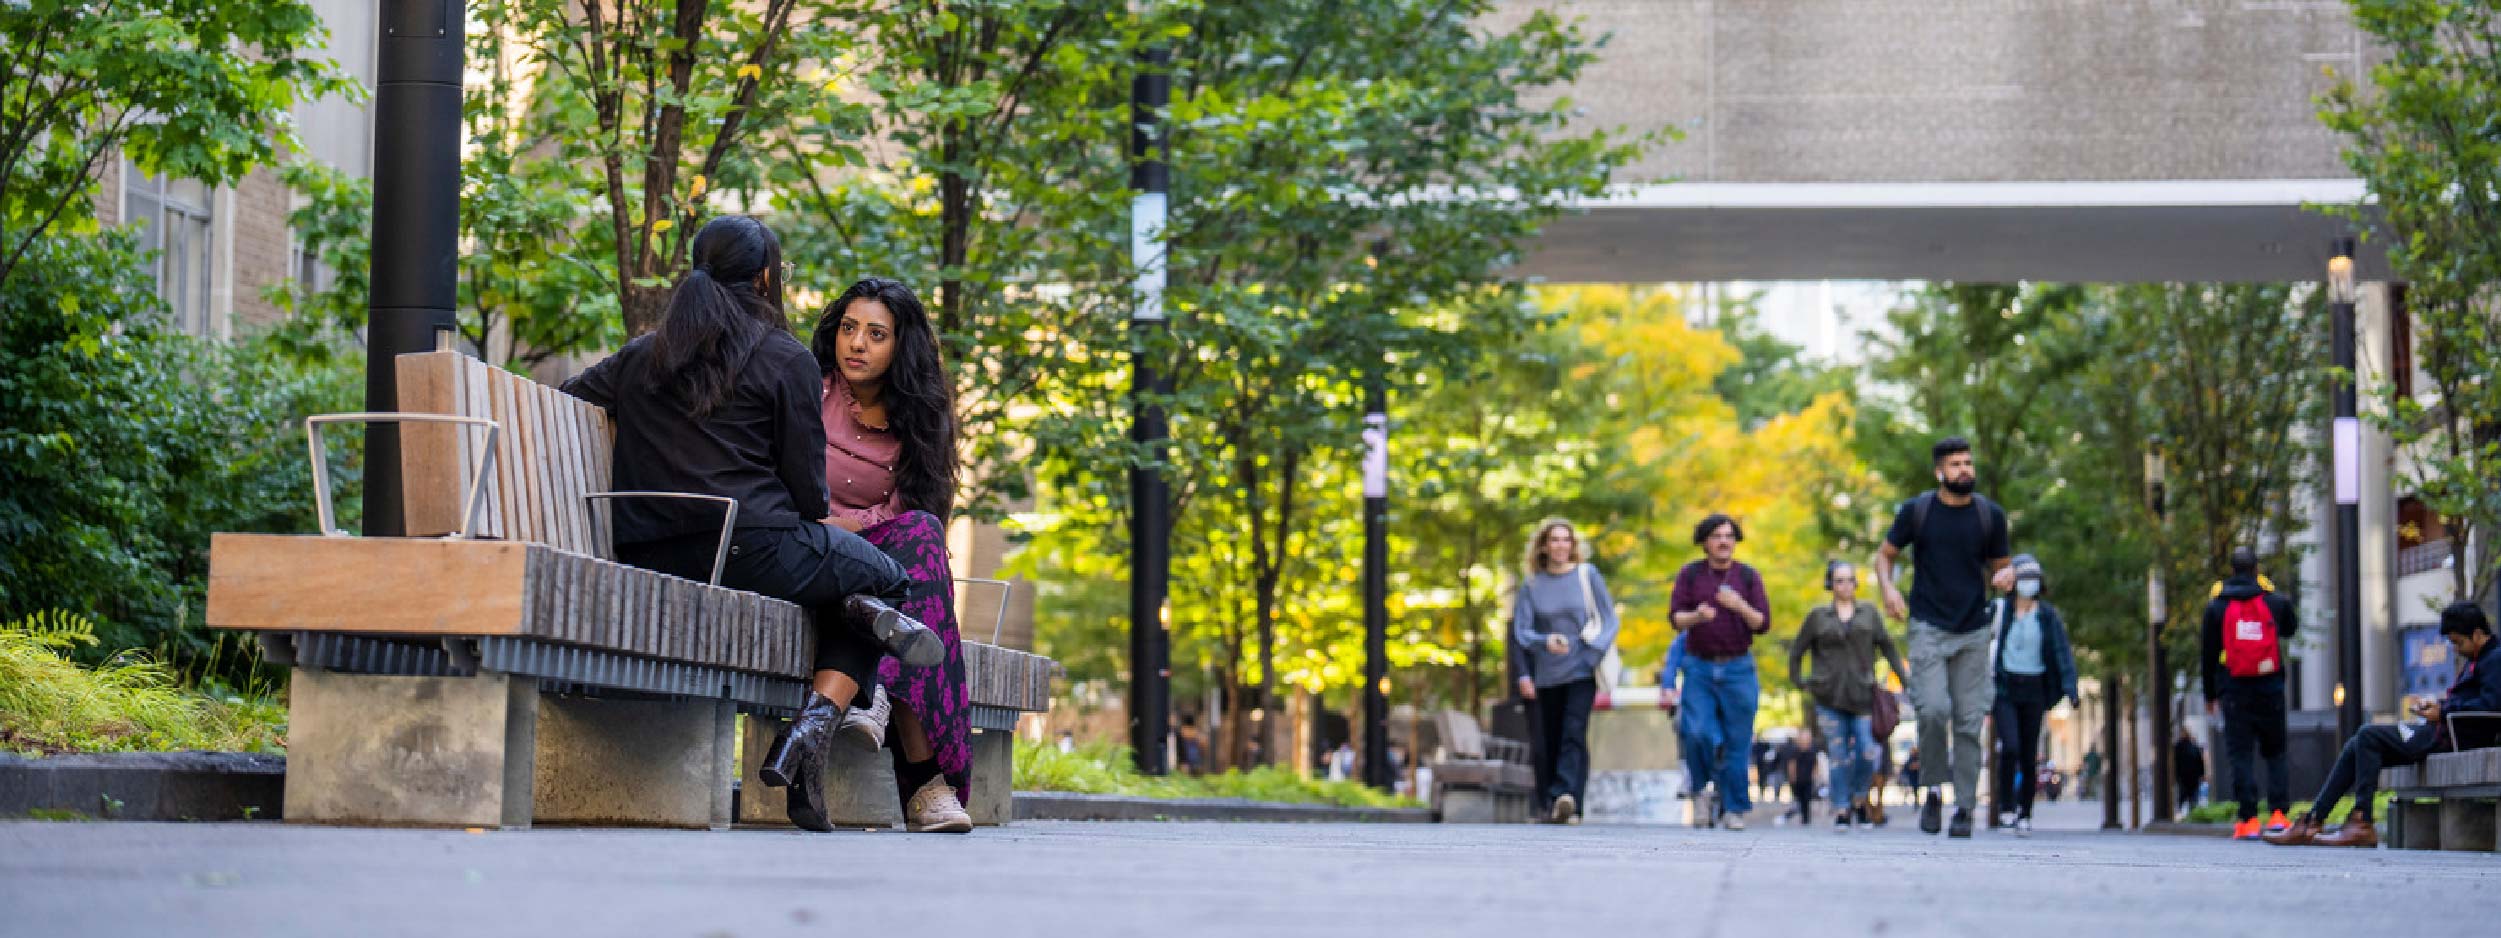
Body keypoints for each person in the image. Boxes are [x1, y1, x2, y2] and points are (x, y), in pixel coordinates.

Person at [562, 216, 943, 834]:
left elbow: (570, 394)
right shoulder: (783, 358)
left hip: (644, 549)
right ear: (766, 277)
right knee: (887, 582)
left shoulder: (643, 355)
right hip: (753, 548)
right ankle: (810, 731)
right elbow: (807, 493)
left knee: (851, 590)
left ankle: (809, 745)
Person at [806, 276, 977, 834]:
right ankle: (927, 786)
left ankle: (879, 692)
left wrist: (853, 523)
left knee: (921, 540)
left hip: (879, 564)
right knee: (914, 565)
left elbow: (910, 513)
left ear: (901, 348)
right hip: (804, 549)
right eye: (849, 329)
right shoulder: (813, 389)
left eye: (876, 334)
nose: (856, 344)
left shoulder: (918, 422)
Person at [2269, 602, 2501, 848]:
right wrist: (2436, 707)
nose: (2455, 649)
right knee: (2357, 744)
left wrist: (2443, 711)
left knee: (2369, 734)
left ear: (2477, 634)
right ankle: (2313, 821)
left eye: (2458, 642)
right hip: (2443, 731)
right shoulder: (2480, 658)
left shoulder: (2494, 660)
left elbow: (2491, 705)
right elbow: (2470, 701)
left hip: (2454, 738)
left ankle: (2362, 822)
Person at [1876, 436, 2015, 839]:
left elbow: (2001, 568)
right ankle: (1934, 789)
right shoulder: (1917, 512)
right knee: (1933, 710)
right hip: (1928, 627)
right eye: (1955, 465)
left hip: (1974, 630)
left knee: (1970, 721)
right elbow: (1886, 554)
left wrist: (2007, 577)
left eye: (1968, 463)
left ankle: (1966, 807)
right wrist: (1888, 588)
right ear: (1940, 472)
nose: (1964, 471)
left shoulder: (1990, 516)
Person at [1511, 517, 1620, 825]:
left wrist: (1593, 654)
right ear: (1543, 546)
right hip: (1547, 673)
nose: (1560, 546)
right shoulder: (1532, 584)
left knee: (1574, 731)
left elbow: (1609, 620)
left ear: (1573, 545)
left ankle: (1565, 796)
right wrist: (1545, 640)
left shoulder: (1587, 575)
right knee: (1552, 738)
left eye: (1566, 540)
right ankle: (1561, 803)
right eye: (1554, 540)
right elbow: (1522, 630)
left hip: (1583, 669)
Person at [1790, 560, 1911, 833]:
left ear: (1856, 583)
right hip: (1829, 697)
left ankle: (1859, 798)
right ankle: (1842, 808)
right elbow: (1798, 650)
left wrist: (1906, 683)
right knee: (1837, 754)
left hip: (1862, 696)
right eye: (1839, 580)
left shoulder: (1868, 613)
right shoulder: (1818, 616)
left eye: (1850, 579)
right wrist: (1801, 682)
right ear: (1831, 584)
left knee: (1868, 751)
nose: (1845, 585)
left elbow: (1888, 648)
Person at [1671, 513, 1772, 831]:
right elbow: (1675, 619)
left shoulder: (1747, 577)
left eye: (1729, 535)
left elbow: (1762, 623)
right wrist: (1697, 616)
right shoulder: (1690, 575)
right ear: (1704, 542)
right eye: (1716, 536)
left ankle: (1733, 808)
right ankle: (1701, 792)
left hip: (1738, 667)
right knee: (1696, 733)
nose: (1724, 541)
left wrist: (1739, 605)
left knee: (1737, 740)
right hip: (1699, 666)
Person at [2200, 547, 2299, 840]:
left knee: (2240, 754)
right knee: (2276, 751)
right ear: (2256, 569)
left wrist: (2210, 695)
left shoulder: (2217, 606)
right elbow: (2291, 628)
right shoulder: (2273, 601)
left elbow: (2207, 654)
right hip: (2270, 687)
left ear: (2231, 570)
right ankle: (2280, 814)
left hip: (2234, 689)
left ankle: (2248, 820)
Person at [1987, 554, 2076, 837]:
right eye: (2024, 579)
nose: (2029, 585)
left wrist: (2070, 688)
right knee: (2009, 747)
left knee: (2028, 754)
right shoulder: (2001, 610)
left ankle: (2025, 812)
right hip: (2005, 688)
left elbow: (2062, 652)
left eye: (2033, 580)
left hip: (2035, 688)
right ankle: (2006, 809)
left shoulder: (2047, 615)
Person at [2173, 728, 2206, 813]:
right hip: (2192, 778)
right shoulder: (2193, 746)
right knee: (2192, 799)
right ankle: (2191, 814)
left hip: (2184, 777)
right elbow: (2200, 762)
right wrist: (2202, 774)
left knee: (2183, 797)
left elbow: (2175, 763)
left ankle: (2180, 813)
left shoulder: (2178, 747)